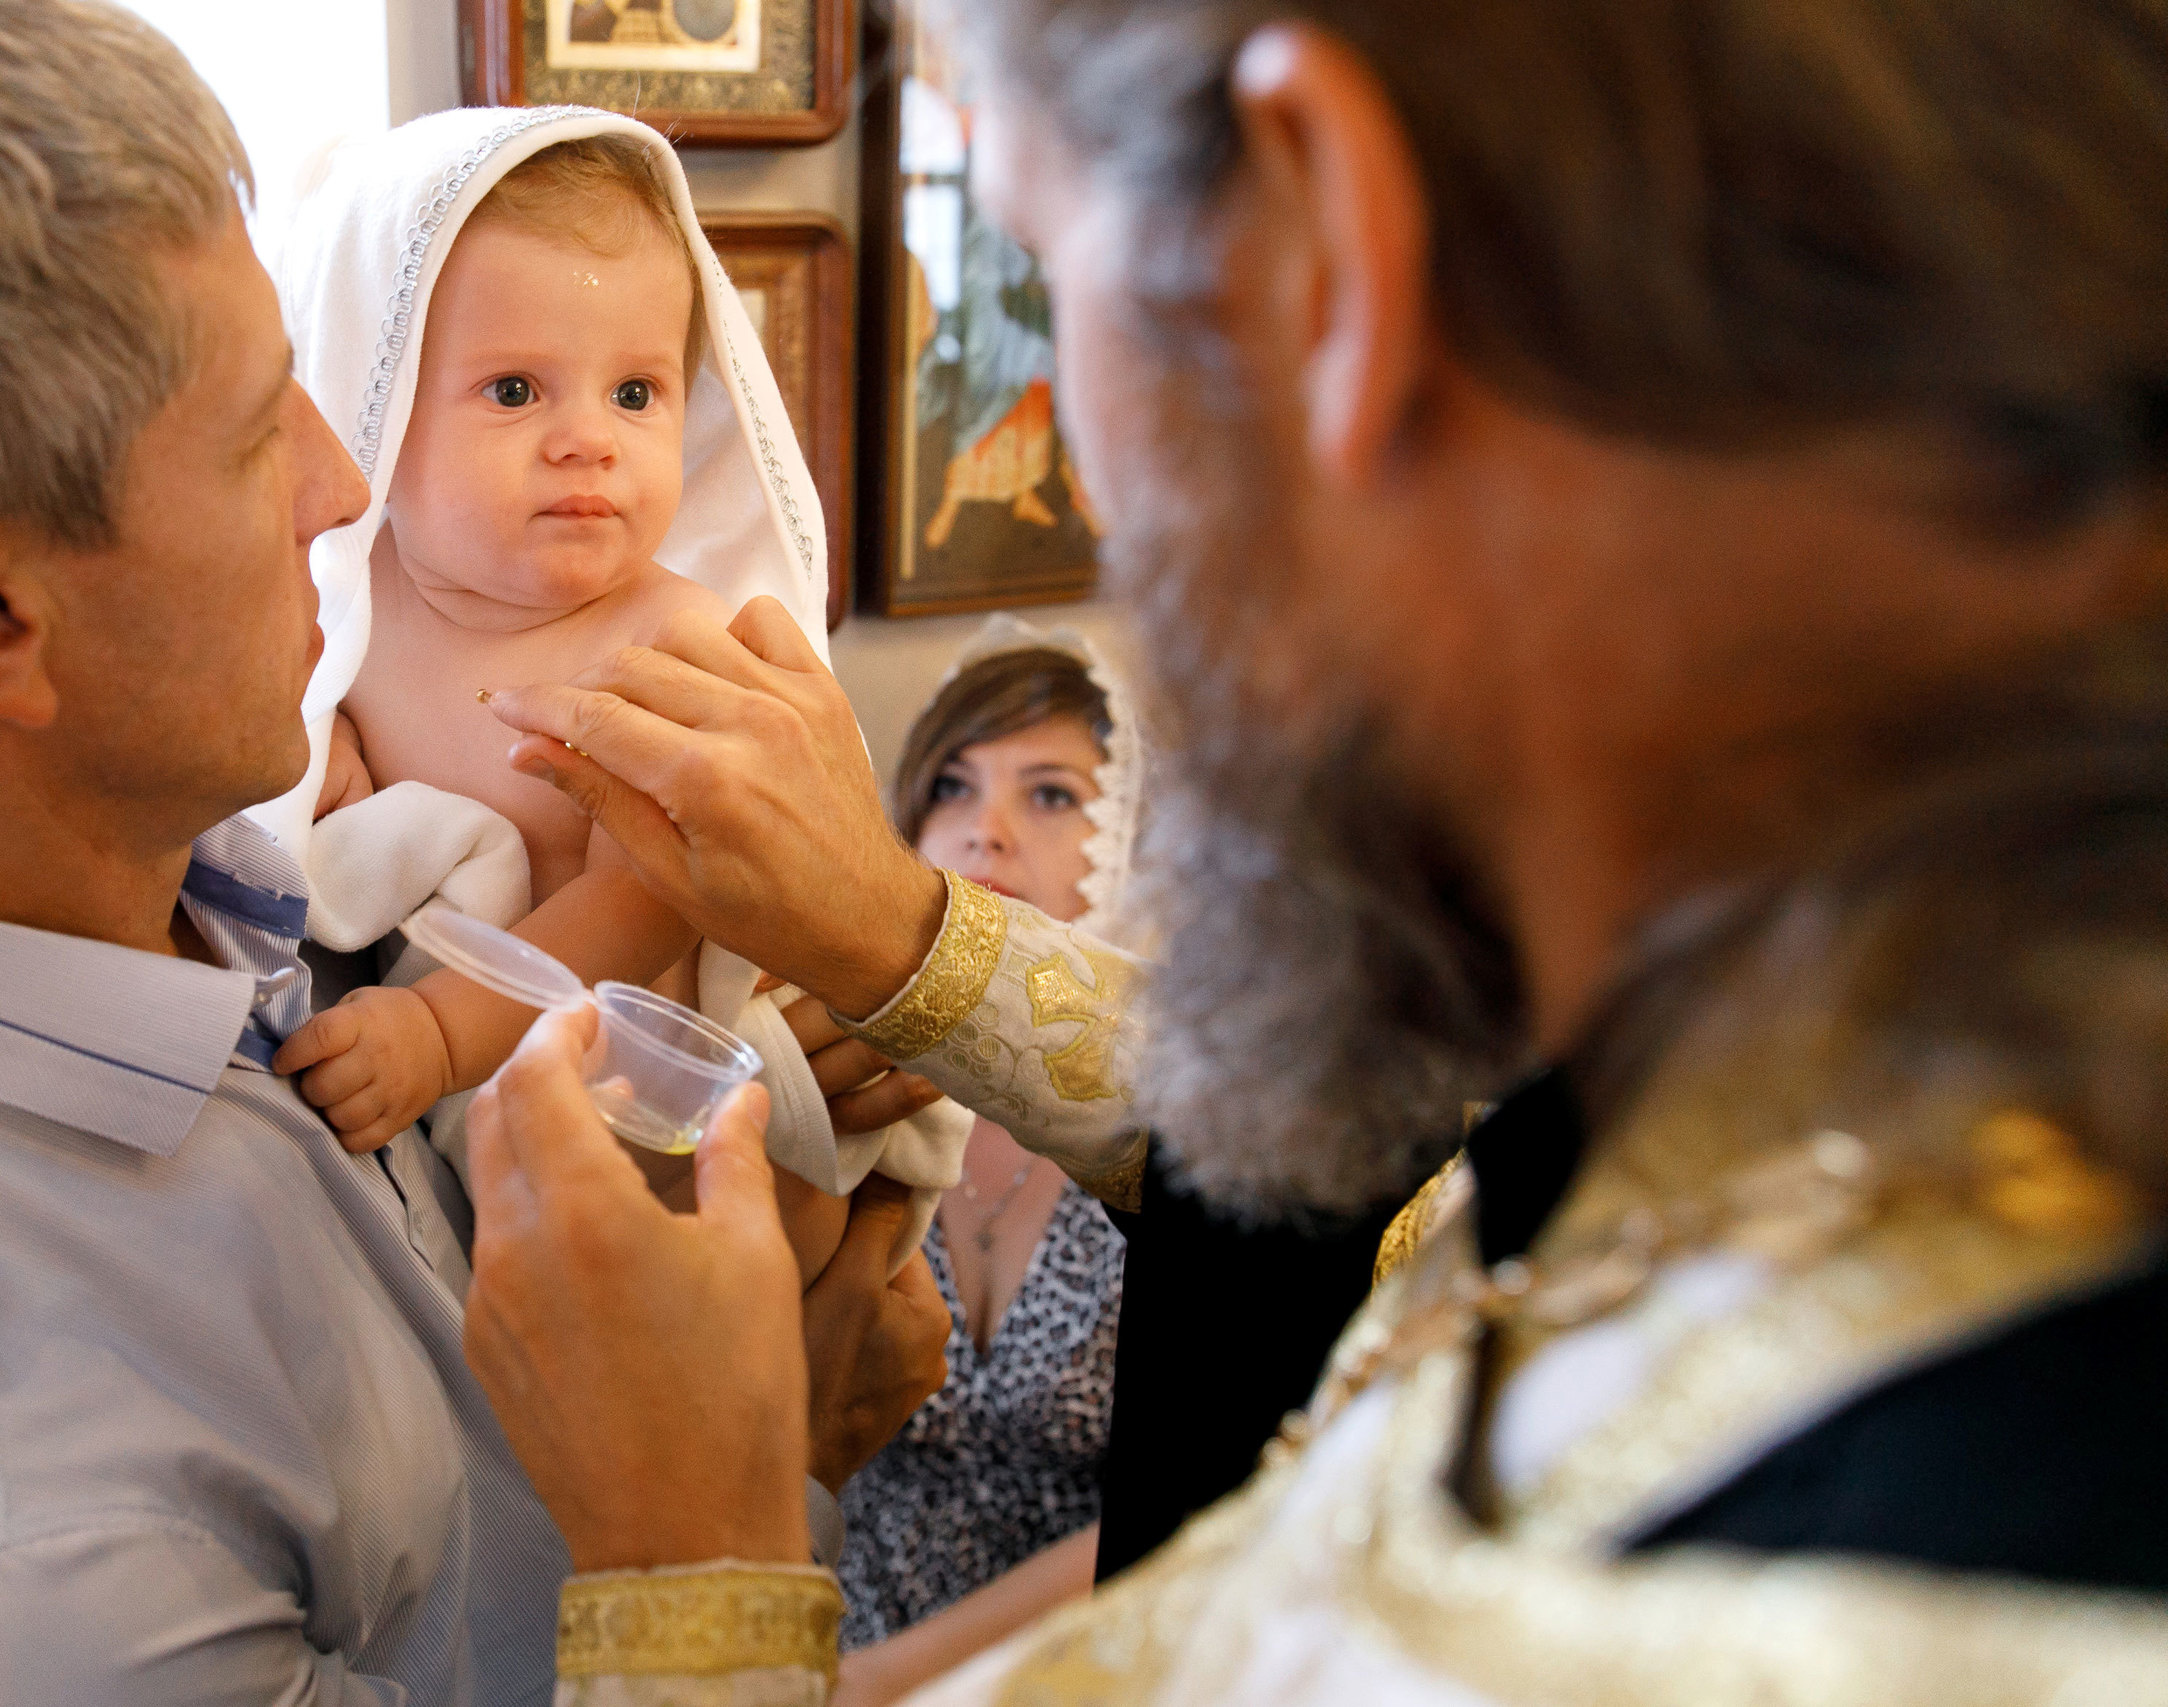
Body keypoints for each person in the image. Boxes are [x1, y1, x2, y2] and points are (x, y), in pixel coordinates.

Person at [449, 0, 2168, 1699]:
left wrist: (690, 1573)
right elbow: (1400, 1208)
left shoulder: (1900, 1600)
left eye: (1049, 272)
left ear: (1328, 252)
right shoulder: (1848, 1036)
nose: (1098, 490)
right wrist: (912, 943)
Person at [0, 6, 948, 1704]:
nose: (341, 481)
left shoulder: (187, 863)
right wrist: (742, 1504)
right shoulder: (1, 1595)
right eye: (257, 431)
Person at [258, 108, 967, 1274]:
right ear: (373, 409)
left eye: (635, 394)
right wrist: (325, 761)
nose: (587, 440)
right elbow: (304, 774)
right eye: (514, 390)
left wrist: (438, 1031)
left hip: (654, 1085)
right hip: (448, 1082)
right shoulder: (345, 608)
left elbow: (639, 908)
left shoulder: (672, 649)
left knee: (748, 1235)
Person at [833, 623, 1133, 1691]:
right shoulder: (844, 1093)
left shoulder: (1177, 1124)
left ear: (1132, 840)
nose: (985, 832)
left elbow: (1214, 1491)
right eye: (952, 788)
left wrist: (891, 1682)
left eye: (1050, 795)